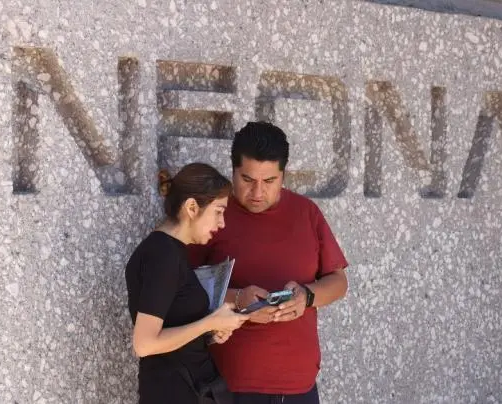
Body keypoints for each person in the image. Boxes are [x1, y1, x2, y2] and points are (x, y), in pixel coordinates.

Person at [188, 122, 349, 404]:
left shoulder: (307, 213)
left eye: (270, 181)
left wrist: (306, 296)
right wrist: (238, 299)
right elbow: (181, 288)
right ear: (233, 171)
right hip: (227, 385)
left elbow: (338, 282)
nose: (258, 192)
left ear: (284, 175)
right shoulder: (212, 213)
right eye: (247, 179)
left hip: (299, 386)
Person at [125, 162, 249, 404]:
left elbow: (173, 326)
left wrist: (211, 333)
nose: (222, 223)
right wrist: (209, 323)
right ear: (192, 207)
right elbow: (144, 344)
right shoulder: (163, 255)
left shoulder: (172, 252)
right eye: (218, 211)